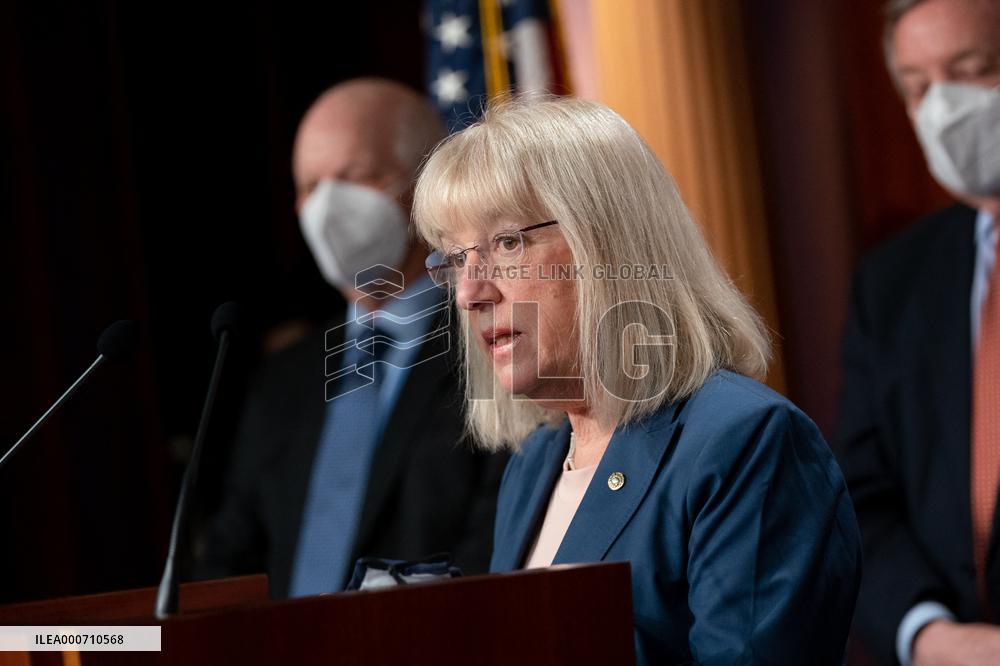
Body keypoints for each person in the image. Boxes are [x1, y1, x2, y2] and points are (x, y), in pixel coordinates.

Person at [411, 96, 862, 665]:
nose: (471, 292)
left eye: (507, 243)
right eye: (455, 258)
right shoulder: (533, 466)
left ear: (609, 243)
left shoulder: (744, 443)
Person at [195, 78, 508, 598]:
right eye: (310, 187)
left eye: (354, 176)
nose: (326, 207)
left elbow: (493, 551)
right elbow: (230, 561)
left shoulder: (494, 346)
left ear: (424, 183)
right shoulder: (283, 380)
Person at [834, 0, 1000, 663]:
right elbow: (863, 500)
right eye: (919, 86)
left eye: (974, 69)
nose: (944, 107)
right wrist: (928, 634)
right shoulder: (892, 283)